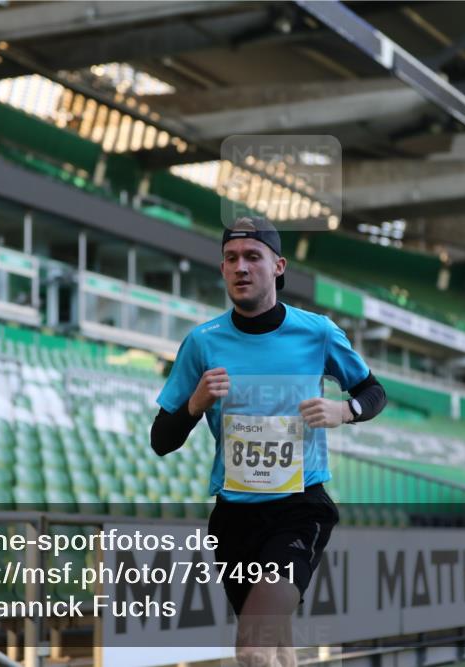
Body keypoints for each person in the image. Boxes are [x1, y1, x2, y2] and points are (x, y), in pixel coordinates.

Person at [151, 216, 387, 666]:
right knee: (274, 647)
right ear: (222, 269)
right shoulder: (202, 342)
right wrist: (196, 403)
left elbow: (373, 391)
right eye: (231, 258)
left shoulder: (317, 332)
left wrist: (344, 411)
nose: (241, 267)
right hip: (234, 519)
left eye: (252, 257)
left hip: (299, 508)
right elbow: (161, 440)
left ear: (278, 266)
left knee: (253, 649)